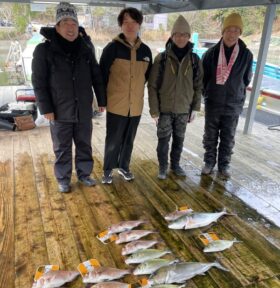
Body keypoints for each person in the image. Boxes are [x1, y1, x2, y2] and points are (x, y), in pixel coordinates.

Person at [32, 2, 106, 193]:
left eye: (73, 22)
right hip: (58, 110)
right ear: (57, 26)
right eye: (65, 22)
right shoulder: (44, 51)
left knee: (84, 144)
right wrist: (45, 108)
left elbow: (96, 76)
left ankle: (84, 174)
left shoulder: (86, 48)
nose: (70, 27)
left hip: (83, 108)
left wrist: (102, 100)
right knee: (62, 147)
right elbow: (38, 82)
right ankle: (63, 179)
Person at [100, 7, 152, 184]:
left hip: (135, 106)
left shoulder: (146, 51)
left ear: (139, 24)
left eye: (134, 22)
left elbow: (146, 78)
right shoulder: (111, 48)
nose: (130, 26)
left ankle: (124, 167)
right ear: (121, 25)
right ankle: (107, 170)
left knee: (129, 139)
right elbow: (102, 76)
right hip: (116, 104)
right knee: (113, 140)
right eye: (126, 22)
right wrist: (102, 101)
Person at [148, 15, 203, 179]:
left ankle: (175, 165)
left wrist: (195, 108)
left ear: (189, 37)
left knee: (179, 140)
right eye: (177, 34)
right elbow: (152, 86)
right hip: (164, 109)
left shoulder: (194, 60)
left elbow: (198, 86)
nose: (181, 38)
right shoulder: (162, 58)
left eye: (184, 35)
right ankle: (163, 167)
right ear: (172, 37)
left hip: (183, 109)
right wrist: (154, 110)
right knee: (163, 141)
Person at [201, 12, 253, 179]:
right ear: (222, 32)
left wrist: (237, 94)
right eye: (229, 30)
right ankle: (209, 162)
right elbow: (203, 78)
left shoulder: (246, 55)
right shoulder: (210, 54)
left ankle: (224, 165)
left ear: (240, 33)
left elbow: (246, 79)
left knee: (228, 136)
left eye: (236, 30)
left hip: (233, 103)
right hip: (213, 102)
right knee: (210, 135)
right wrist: (207, 94)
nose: (232, 34)